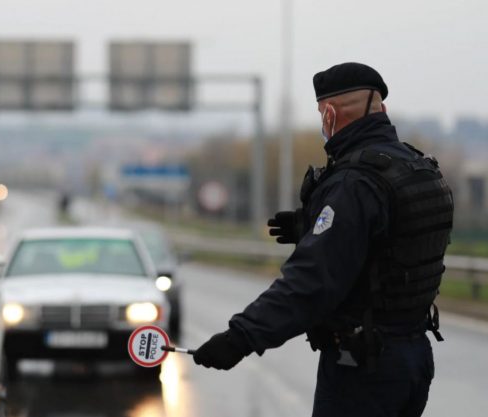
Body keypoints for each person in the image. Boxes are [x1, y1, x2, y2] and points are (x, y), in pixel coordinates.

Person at [192, 62, 454, 417]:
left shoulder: (354, 183)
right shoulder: (417, 168)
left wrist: (240, 338)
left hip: (362, 368)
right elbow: (390, 244)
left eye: (320, 113)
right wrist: (311, 225)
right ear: (382, 109)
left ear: (329, 113)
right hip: (413, 359)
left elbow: (310, 282)